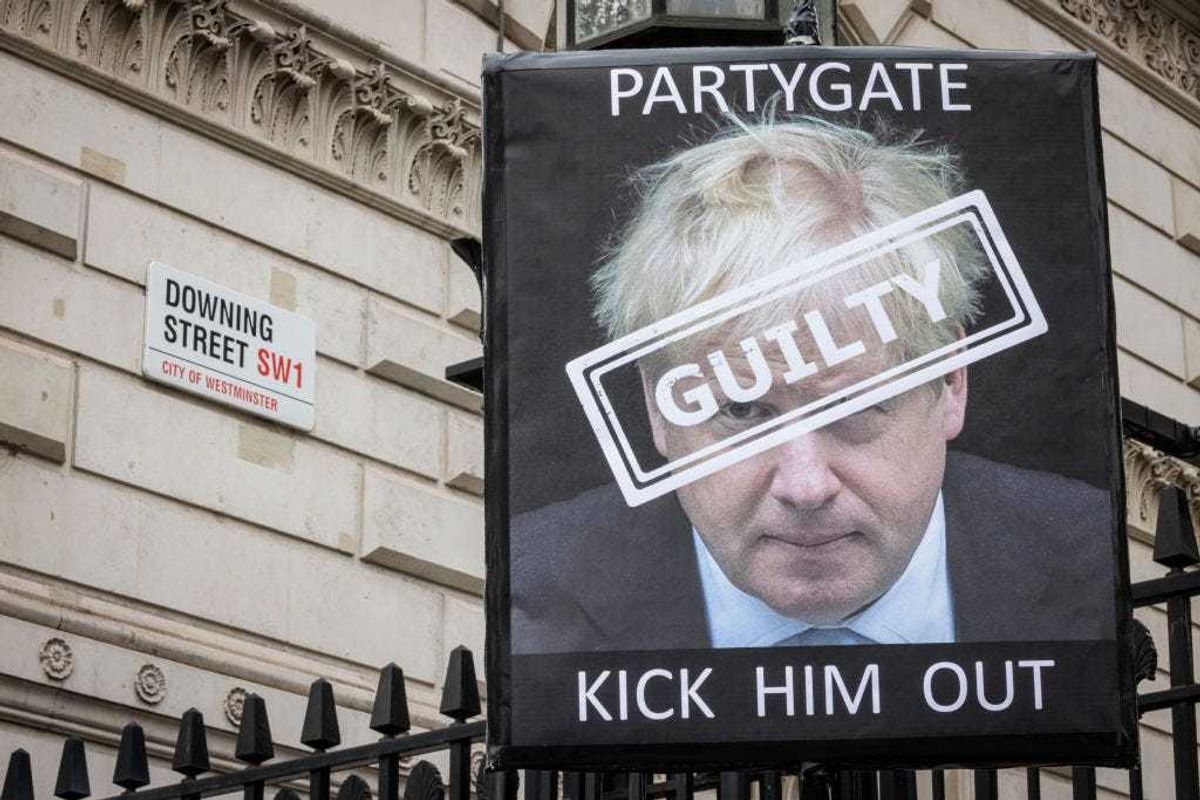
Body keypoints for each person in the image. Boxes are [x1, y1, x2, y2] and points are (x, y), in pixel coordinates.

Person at [511, 118, 1113, 653]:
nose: (804, 488)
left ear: (952, 380)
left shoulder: (1086, 555)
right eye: (743, 410)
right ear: (657, 409)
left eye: (853, 406)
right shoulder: (536, 583)